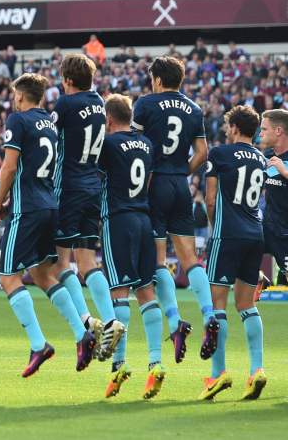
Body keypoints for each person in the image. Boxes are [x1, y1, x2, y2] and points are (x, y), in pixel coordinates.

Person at [0, 73, 95, 378]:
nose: (12, 100)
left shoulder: (17, 120)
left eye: (13, 95)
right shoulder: (49, 122)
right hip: (49, 206)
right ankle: (81, 333)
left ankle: (38, 344)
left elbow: (9, 167)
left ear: (20, 96)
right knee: (43, 274)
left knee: (8, 278)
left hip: (28, 210)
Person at [131, 56, 213, 364]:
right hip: (180, 185)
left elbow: (136, 148)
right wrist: (183, 171)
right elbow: (203, 152)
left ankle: (176, 321)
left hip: (155, 185)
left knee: (158, 261)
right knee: (190, 258)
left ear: (158, 79)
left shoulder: (146, 105)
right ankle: (208, 315)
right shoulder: (194, 108)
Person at [49, 53, 124, 362]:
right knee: (87, 260)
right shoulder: (99, 103)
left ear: (67, 80)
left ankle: (85, 323)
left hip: (67, 187)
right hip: (93, 187)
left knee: (59, 264)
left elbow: (50, 141)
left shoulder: (65, 105)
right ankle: (110, 320)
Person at [97, 94, 166, 400]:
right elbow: (148, 180)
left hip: (119, 219)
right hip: (143, 218)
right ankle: (155, 363)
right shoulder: (147, 144)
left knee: (119, 293)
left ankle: (119, 365)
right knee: (146, 292)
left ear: (109, 119)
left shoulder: (108, 144)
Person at [199, 105, 267, 400]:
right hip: (256, 235)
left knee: (217, 305)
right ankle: (257, 370)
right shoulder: (263, 160)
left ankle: (218, 374)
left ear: (236, 128)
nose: (226, 131)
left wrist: (217, 230)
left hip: (227, 234)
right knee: (246, 305)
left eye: (228, 127)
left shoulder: (220, 154)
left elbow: (211, 200)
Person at [259, 109, 288, 288]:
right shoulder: (268, 159)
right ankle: (260, 279)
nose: (260, 133)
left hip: (286, 235)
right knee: (238, 255)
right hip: (268, 228)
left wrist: (284, 172)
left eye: (264, 129)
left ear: (278, 131)